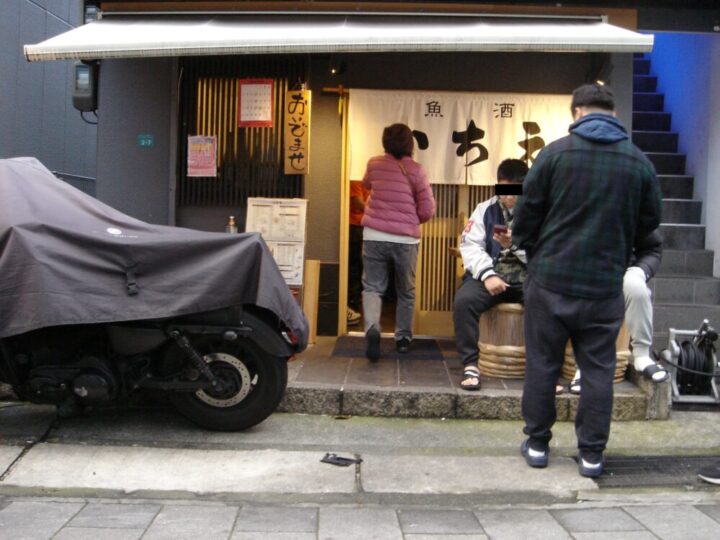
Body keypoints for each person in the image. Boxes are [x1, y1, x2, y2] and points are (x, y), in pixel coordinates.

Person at [512, 83, 662, 478]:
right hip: (602, 286)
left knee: (543, 365)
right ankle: (592, 455)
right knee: (597, 370)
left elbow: (526, 215)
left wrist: (532, 251)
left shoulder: (555, 154)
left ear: (577, 111)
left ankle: (539, 444)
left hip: (550, 281)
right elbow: (649, 226)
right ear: (612, 114)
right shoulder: (638, 162)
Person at [361, 123, 436, 361]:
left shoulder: (374, 163)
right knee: (406, 290)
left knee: (372, 287)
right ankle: (403, 338)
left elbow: (365, 184)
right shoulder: (417, 170)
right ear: (409, 144)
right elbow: (427, 210)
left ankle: (372, 327)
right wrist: (412, 219)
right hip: (405, 239)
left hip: (374, 234)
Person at [453, 159, 529, 390]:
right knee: (464, 302)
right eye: (503, 190)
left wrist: (514, 245)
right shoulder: (485, 209)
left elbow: (546, 251)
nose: (507, 197)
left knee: (547, 304)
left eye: (513, 191)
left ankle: (542, 367)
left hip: (528, 278)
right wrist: (487, 274)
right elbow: (470, 245)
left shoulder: (538, 211)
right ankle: (470, 364)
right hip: (491, 275)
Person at [568, 229, 669, 394]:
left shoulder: (630, 204)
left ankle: (642, 355)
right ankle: (583, 366)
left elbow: (652, 247)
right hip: (580, 271)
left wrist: (640, 270)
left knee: (635, 287)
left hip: (624, 268)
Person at [348, 180, 370, 326]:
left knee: (362, 267)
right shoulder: (356, 178)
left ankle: (356, 303)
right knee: (355, 267)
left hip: (366, 225)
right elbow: (357, 202)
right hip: (355, 227)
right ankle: (351, 305)